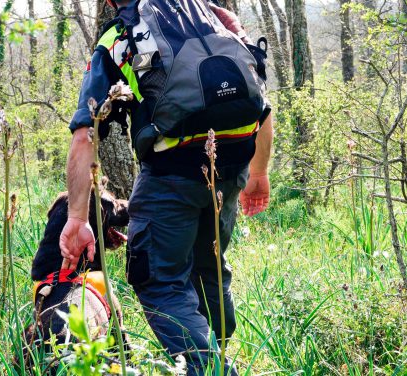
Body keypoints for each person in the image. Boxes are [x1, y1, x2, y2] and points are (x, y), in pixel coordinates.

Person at [59, 0, 272, 373]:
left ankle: (210, 368)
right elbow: (262, 106)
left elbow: (84, 135)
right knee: (209, 267)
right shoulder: (214, 16)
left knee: (158, 281)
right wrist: (258, 174)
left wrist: (77, 217)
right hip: (234, 165)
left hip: (171, 175)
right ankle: (213, 354)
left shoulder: (120, 36)